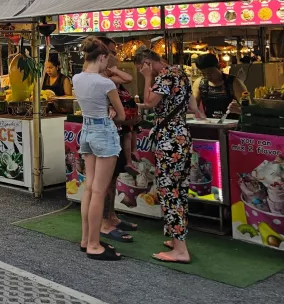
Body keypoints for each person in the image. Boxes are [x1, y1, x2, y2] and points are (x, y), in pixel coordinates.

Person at [135, 46, 205, 264]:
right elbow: (193, 106)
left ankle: (181, 250)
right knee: (179, 190)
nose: (143, 72)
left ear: (146, 62)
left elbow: (149, 102)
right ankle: (177, 239)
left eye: (141, 68)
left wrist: (147, 78)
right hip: (182, 136)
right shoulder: (180, 72)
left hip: (169, 140)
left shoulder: (164, 76)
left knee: (168, 191)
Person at [72, 37, 127, 261]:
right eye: (107, 59)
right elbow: (122, 115)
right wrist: (112, 114)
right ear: (102, 57)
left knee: (89, 188)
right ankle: (95, 244)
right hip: (104, 132)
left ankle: (87, 239)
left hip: (86, 131)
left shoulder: (76, 78)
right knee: (99, 192)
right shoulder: (106, 83)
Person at [96, 37, 139, 243]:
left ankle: (111, 216)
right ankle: (103, 222)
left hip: (119, 131)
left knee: (113, 180)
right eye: (111, 52)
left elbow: (127, 79)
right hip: (109, 132)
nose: (115, 56)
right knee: (105, 180)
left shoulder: (110, 76)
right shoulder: (100, 79)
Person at [193, 53, 247, 118]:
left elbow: (248, 109)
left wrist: (238, 110)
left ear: (218, 67)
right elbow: (193, 107)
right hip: (211, 124)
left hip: (233, 125)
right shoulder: (199, 83)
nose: (208, 77)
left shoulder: (235, 83)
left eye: (210, 72)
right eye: (203, 74)